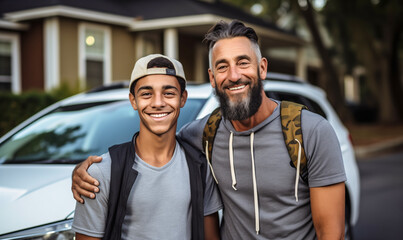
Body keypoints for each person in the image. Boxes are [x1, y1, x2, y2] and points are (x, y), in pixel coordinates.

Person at [72, 20, 346, 240]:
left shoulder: (310, 132)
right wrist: (90, 168)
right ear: (213, 78)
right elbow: (156, 144)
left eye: (243, 62)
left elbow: (330, 233)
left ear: (262, 68)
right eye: (222, 66)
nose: (234, 75)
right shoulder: (202, 136)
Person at [71, 54, 222, 240]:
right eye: (146, 94)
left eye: (168, 93)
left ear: (182, 98)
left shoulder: (200, 166)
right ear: (133, 100)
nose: (158, 103)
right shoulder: (100, 174)